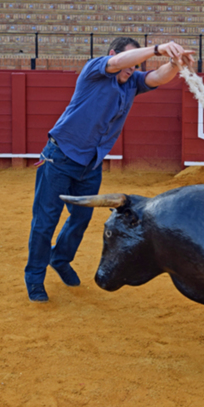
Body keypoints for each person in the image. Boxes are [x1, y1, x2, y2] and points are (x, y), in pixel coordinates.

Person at [24, 37, 194, 302]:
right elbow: (117, 63)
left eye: (137, 64)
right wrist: (158, 49)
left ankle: (60, 259)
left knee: (80, 219)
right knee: (46, 221)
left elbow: (159, 77)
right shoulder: (96, 69)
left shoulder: (133, 82)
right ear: (114, 54)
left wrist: (174, 62)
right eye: (131, 61)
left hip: (90, 165)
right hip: (59, 158)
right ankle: (34, 277)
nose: (132, 68)